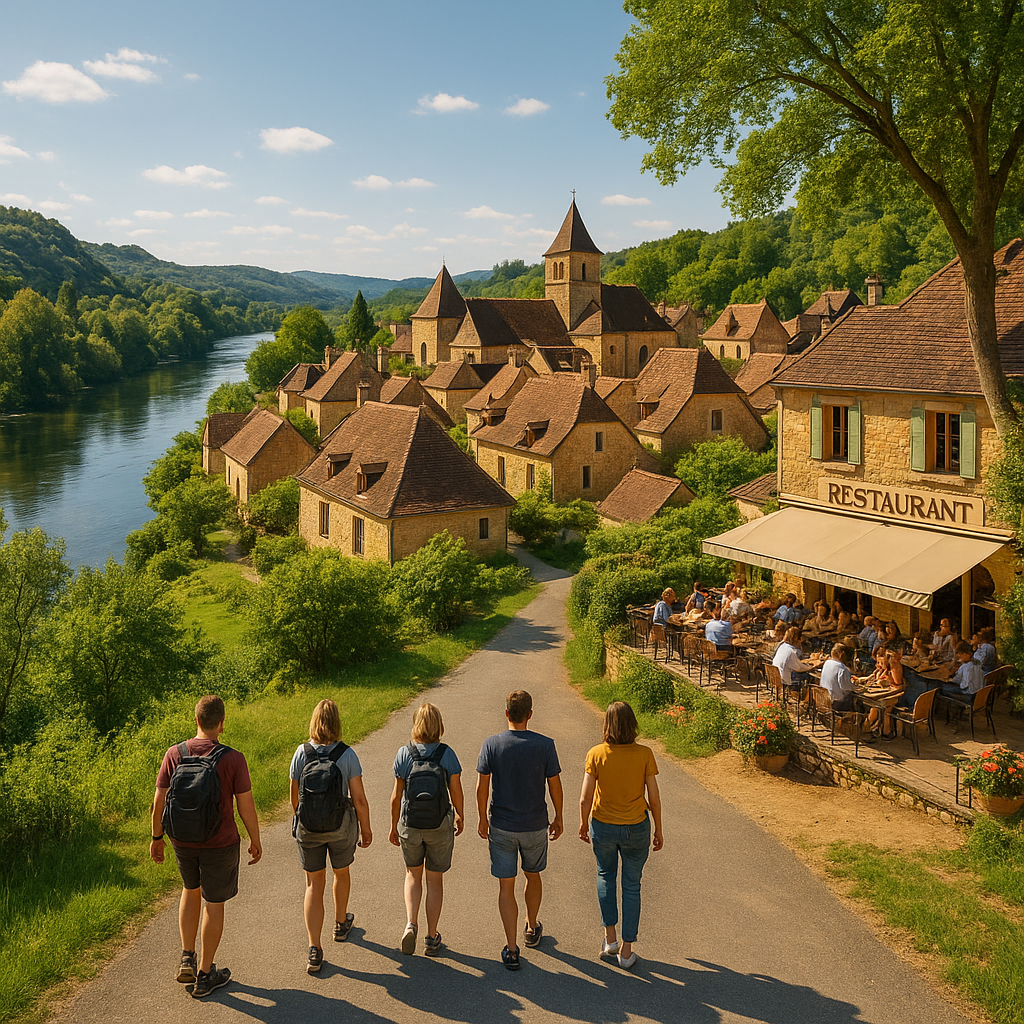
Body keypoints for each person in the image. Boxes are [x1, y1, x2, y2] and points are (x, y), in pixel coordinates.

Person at [150, 695, 262, 999]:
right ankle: (205, 974)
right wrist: (255, 838)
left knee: (190, 889)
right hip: (220, 842)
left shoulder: (175, 753)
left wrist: (157, 837)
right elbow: (245, 805)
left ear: (196, 720)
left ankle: (188, 955)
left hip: (182, 839)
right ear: (222, 724)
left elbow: (159, 800)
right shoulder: (233, 758)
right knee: (214, 903)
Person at [476, 690, 563, 970]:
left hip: (501, 825)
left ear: (506, 714)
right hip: (535, 824)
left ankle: (512, 949)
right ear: (530, 714)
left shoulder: (492, 745)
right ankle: (532, 925)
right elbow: (555, 785)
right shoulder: (545, 745)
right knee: (533, 875)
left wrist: (481, 818)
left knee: (506, 885)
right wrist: (559, 816)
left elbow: (482, 787)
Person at [579, 702, 663, 971]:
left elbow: (585, 798)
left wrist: (583, 824)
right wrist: (659, 828)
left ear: (606, 725)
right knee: (632, 886)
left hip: (603, 825)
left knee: (605, 875)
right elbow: (654, 797)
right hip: (636, 826)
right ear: (633, 724)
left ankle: (610, 939)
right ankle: (627, 952)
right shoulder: (645, 755)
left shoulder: (596, 754)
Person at [289, 699, 372, 974]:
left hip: (309, 828)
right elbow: (358, 798)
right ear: (337, 723)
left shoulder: (301, 753)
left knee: (313, 884)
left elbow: (294, 795)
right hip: (340, 827)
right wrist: (366, 827)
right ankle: (340, 922)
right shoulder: (346, 755)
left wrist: (302, 818)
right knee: (341, 872)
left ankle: (314, 948)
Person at [389, 703, 464, 957]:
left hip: (410, 825)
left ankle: (411, 923)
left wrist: (393, 826)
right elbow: (456, 791)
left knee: (413, 875)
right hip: (438, 824)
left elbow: (396, 797)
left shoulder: (404, 754)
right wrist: (460, 816)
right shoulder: (446, 754)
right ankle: (432, 937)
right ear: (439, 725)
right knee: (434, 879)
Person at [771, 626, 815, 690]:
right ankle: (805, 697)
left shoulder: (782, 646)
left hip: (776, 676)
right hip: (784, 679)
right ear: (796, 639)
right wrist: (812, 667)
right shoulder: (791, 652)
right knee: (809, 675)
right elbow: (799, 668)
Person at [819, 644, 856, 711]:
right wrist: (853, 685)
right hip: (836, 701)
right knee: (854, 698)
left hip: (824, 697)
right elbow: (846, 688)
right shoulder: (842, 669)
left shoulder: (827, 663)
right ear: (842, 655)